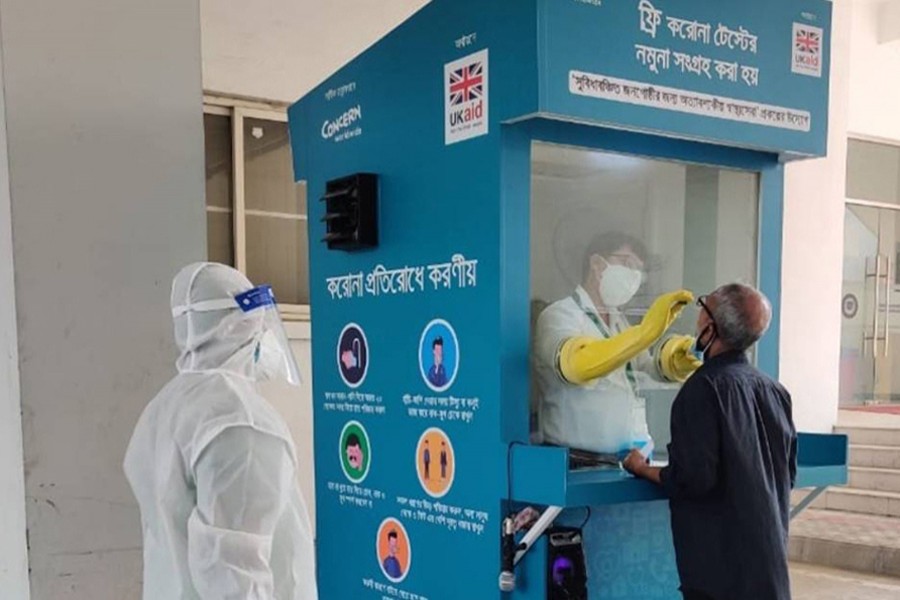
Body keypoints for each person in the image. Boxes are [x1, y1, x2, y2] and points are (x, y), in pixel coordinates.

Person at [124, 262, 317, 600]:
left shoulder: (166, 406)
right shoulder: (241, 422)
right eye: (259, 323)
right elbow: (235, 578)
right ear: (236, 326)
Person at [624, 284, 797, 600]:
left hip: (720, 576)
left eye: (703, 307)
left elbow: (692, 478)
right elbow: (787, 472)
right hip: (768, 568)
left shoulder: (702, 389)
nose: (698, 315)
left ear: (710, 326)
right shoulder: (774, 391)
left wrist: (641, 468)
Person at [534, 232, 700, 456]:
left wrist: (674, 361)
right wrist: (642, 334)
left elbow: (644, 369)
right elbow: (575, 365)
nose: (634, 277)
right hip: (576, 459)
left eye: (639, 272)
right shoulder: (560, 315)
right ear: (597, 264)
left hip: (628, 457)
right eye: (627, 264)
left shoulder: (618, 320)